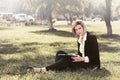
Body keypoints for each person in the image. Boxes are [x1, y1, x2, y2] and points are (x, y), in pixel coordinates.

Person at [28, 21, 100, 73]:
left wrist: (82, 58)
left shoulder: (92, 38)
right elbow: (81, 53)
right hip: (81, 60)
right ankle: (59, 67)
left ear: (84, 28)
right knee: (59, 53)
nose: (78, 31)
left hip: (91, 64)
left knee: (66, 60)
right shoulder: (79, 39)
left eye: (79, 28)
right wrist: (76, 56)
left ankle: (43, 70)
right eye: (76, 29)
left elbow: (95, 57)